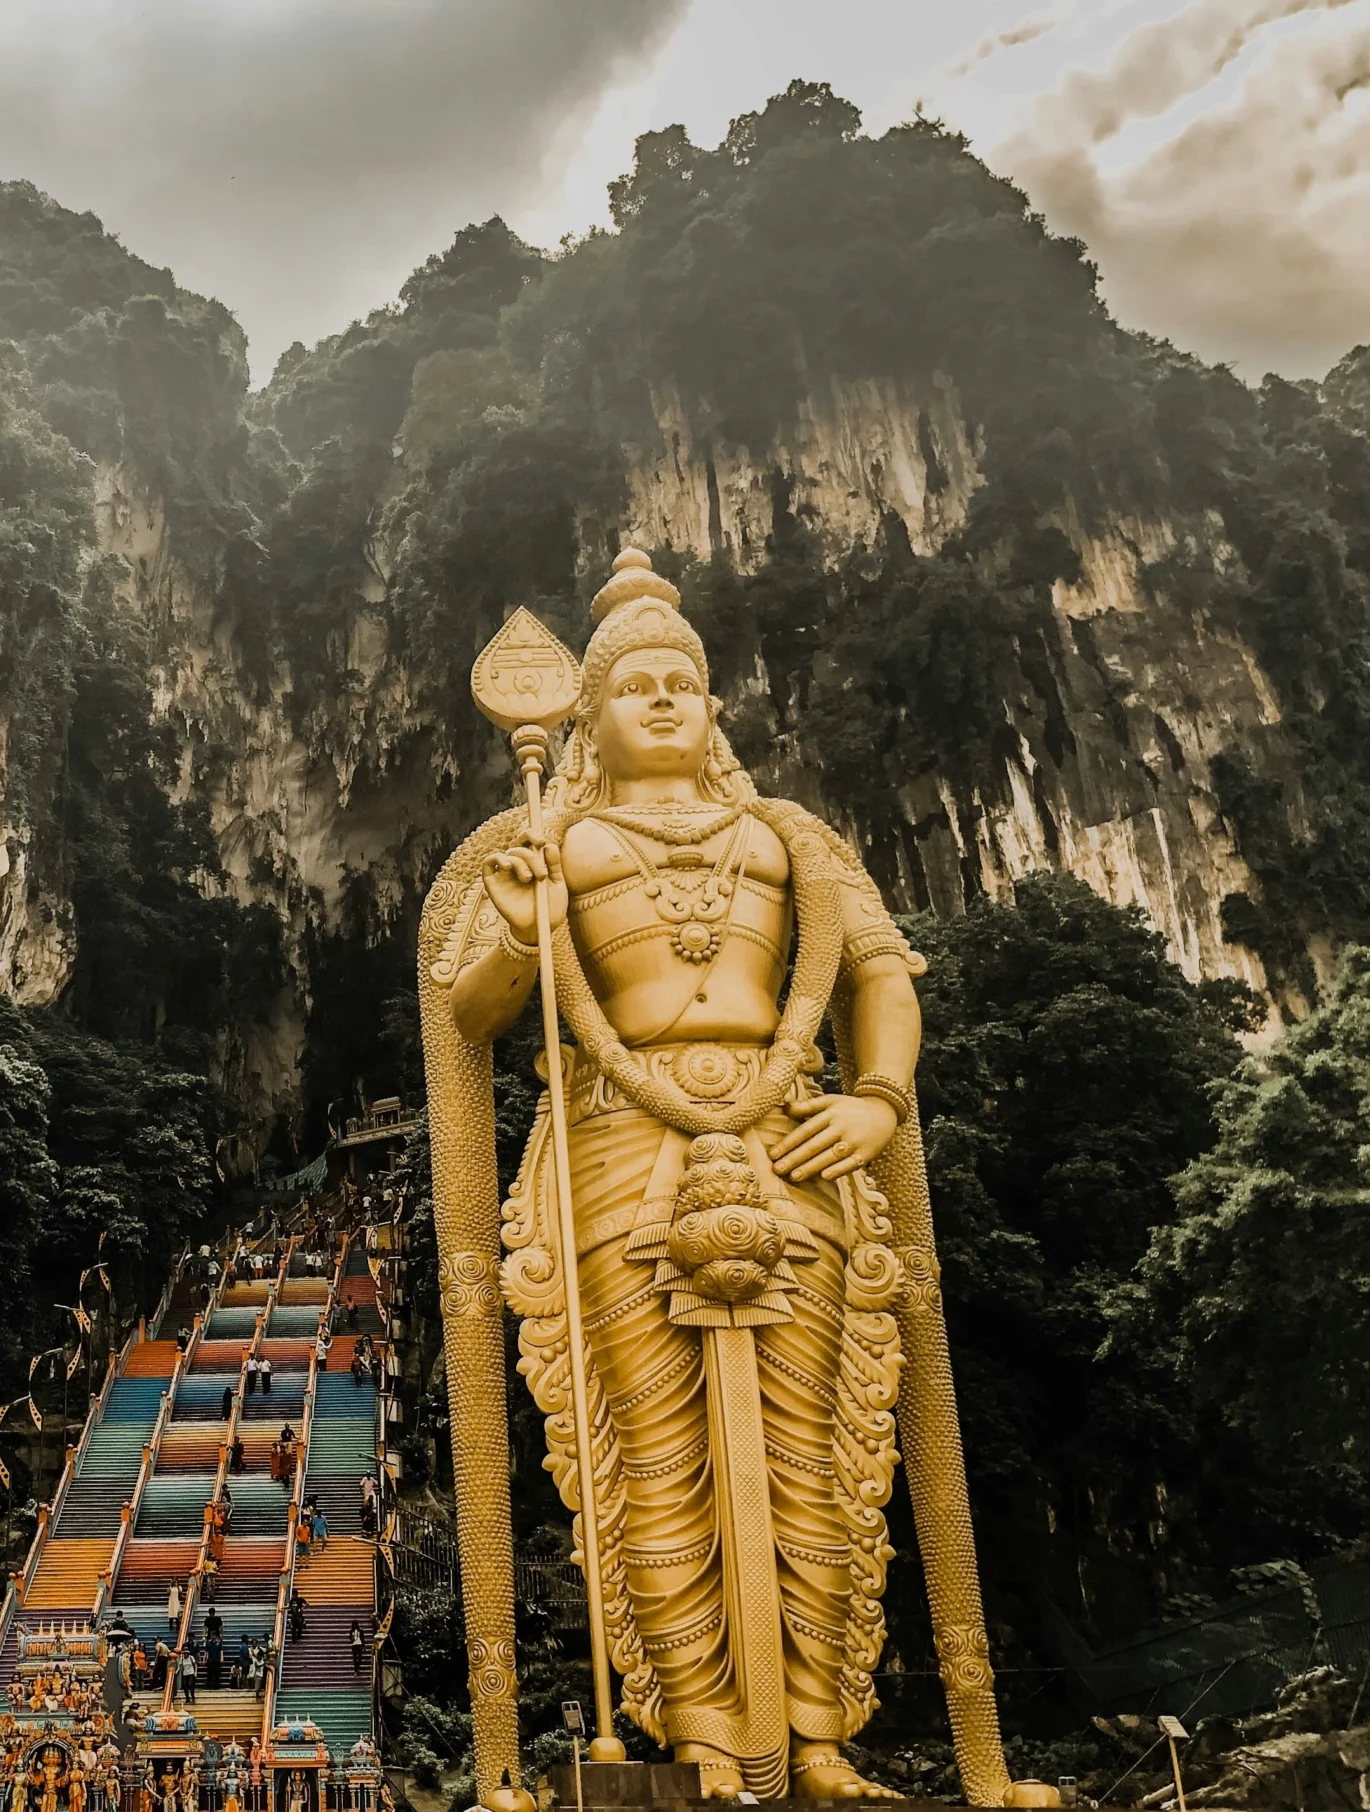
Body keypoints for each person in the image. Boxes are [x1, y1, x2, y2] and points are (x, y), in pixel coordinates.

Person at [427, 548, 944, 1799]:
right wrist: (516, 914)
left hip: (789, 1137)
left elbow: (879, 974)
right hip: (617, 1138)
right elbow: (472, 1009)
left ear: (714, 707)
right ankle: (707, 1740)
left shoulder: (788, 836)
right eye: (633, 686)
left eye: (683, 680)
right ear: (589, 716)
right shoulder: (554, 836)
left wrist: (874, 1100)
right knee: (649, 1452)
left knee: (813, 1445)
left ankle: (817, 1739)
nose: (661, 700)